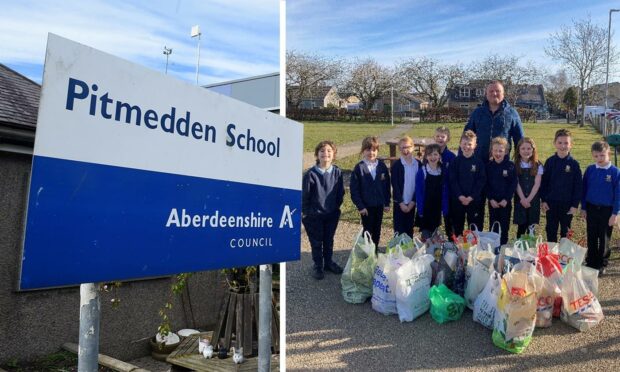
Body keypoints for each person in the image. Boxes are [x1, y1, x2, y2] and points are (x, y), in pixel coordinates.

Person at [463, 80, 524, 223]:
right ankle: (476, 238)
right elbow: (467, 135)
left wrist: (519, 162)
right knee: (476, 204)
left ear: (503, 93)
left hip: (501, 167)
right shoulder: (477, 113)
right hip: (479, 165)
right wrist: (463, 159)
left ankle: (497, 240)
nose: (494, 93)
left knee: (498, 207)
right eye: (491, 91)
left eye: (497, 91)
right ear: (486, 93)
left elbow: (519, 139)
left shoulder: (512, 113)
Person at [302, 141, 345, 280]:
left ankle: (328, 262)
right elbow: (305, 196)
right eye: (322, 151)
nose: (325, 153)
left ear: (333, 155)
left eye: (329, 151)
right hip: (314, 215)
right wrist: (307, 212)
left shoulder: (337, 172)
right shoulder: (311, 174)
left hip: (331, 214)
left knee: (328, 240)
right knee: (316, 242)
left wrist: (334, 207)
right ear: (317, 154)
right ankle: (318, 265)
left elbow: (340, 193)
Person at [581, 140, 620, 276]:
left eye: (602, 156)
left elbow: (618, 194)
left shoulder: (615, 172)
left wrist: (615, 213)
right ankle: (591, 261)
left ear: (608, 153)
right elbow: (584, 189)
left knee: (604, 238)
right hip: (591, 208)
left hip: (607, 210)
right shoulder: (590, 170)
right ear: (593, 155)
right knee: (591, 235)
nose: (599, 159)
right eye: (596, 156)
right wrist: (584, 208)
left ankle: (602, 263)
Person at [540, 129, 582, 242]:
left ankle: (564, 256)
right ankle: (551, 256)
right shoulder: (550, 162)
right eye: (560, 143)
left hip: (567, 205)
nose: (563, 146)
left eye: (566, 143)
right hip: (551, 204)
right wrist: (543, 200)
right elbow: (544, 183)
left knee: (566, 231)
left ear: (571, 145)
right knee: (550, 230)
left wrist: (574, 205)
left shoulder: (574, 164)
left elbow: (578, 186)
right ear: (555, 143)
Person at [350, 136, 391, 248]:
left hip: (379, 205)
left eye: (374, 150)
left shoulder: (382, 166)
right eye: (368, 150)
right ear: (363, 151)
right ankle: (367, 253)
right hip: (366, 207)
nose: (371, 152)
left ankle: (375, 251)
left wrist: (387, 203)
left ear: (377, 151)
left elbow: (387, 186)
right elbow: (354, 190)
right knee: (367, 230)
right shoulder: (359, 168)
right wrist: (360, 206)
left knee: (377, 229)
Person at [449, 130, 486, 236]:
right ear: (460, 144)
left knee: (474, 228)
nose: (467, 146)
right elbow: (453, 180)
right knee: (457, 227)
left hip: (473, 201)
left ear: (475, 145)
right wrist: (460, 196)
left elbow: (481, 182)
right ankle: (457, 249)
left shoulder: (479, 163)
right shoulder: (455, 162)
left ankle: (473, 249)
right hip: (458, 201)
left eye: (470, 144)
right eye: (464, 143)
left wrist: (470, 197)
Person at [485, 137, 517, 246]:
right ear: (491, 151)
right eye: (495, 150)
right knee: (493, 225)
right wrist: (491, 199)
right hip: (493, 203)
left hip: (505, 203)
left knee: (504, 226)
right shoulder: (488, 166)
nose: (498, 153)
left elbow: (513, 184)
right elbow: (486, 184)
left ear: (506, 151)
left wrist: (506, 199)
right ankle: (493, 248)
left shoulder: (510, 166)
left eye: (501, 151)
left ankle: (503, 247)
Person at [415, 144, 449, 240]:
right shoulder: (422, 171)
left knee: (435, 232)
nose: (433, 157)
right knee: (426, 234)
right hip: (425, 207)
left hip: (437, 207)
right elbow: (419, 192)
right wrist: (420, 209)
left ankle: (434, 251)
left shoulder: (442, 170)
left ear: (439, 156)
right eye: (430, 155)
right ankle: (425, 251)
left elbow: (445, 190)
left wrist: (444, 207)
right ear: (426, 156)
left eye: (435, 154)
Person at [513, 137, 543, 239]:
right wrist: (523, 199)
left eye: (529, 148)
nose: (526, 151)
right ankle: (519, 251)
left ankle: (531, 250)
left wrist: (528, 199)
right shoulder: (515, 165)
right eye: (523, 149)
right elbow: (516, 183)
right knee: (521, 227)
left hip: (533, 200)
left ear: (533, 150)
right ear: (518, 150)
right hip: (520, 200)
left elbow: (537, 184)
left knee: (531, 226)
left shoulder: (538, 165)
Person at [390, 136, 419, 237]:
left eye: (408, 147)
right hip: (400, 203)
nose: (405, 150)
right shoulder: (396, 166)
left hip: (412, 203)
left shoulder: (418, 165)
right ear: (399, 149)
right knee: (399, 229)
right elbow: (395, 186)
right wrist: (401, 203)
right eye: (402, 148)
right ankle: (398, 250)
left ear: (413, 147)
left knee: (409, 228)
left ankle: (409, 251)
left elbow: (419, 186)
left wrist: (413, 202)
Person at [434, 126, 456, 237]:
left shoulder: (451, 157)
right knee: (434, 220)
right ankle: (433, 245)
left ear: (447, 138)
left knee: (449, 221)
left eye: (443, 136)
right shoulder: (431, 155)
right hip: (434, 192)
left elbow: (454, 176)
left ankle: (452, 243)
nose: (440, 138)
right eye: (437, 136)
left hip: (448, 193)